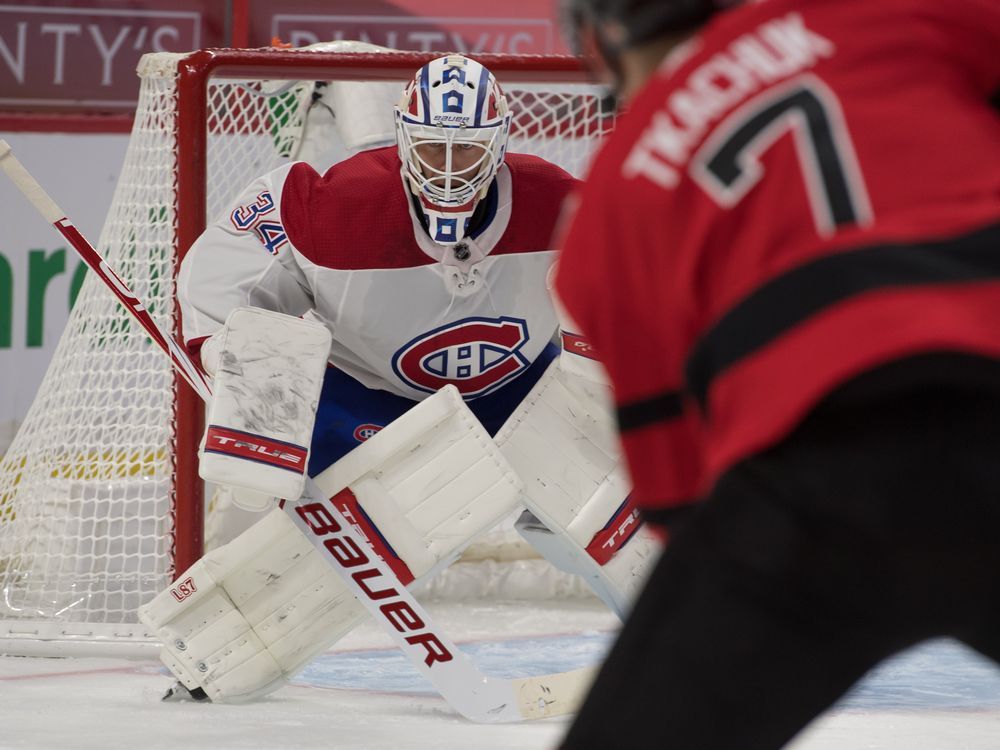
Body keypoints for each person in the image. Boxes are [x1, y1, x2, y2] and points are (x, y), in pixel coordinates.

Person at [554, 0, 1000, 748]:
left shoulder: (608, 205)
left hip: (810, 491)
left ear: (601, 37)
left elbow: (680, 497)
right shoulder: (876, 16)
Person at [178, 53, 577, 480]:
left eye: (465, 148)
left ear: (498, 143)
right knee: (263, 351)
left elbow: (630, 280)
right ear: (404, 138)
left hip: (519, 389)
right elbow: (220, 276)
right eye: (430, 146)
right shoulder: (332, 206)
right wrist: (227, 352)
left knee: (608, 493)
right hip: (368, 394)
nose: (447, 170)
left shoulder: (558, 203)